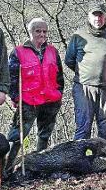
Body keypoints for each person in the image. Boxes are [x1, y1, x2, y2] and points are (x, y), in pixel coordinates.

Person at [5, 18, 64, 170]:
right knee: (17, 136)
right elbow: (11, 78)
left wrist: (59, 94)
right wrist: (15, 98)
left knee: (44, 135)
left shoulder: (53, 51)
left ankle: (40, 165)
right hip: (28, 101)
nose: (42, 34)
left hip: (50, 100)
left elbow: (59, 76)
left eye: (44, 31)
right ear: (30, 32)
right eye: (38, 31)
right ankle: (5, 168)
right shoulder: (18, 52)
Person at [65, 3, 106, 146]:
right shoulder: (78, 35)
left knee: (105, 126)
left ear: (105, 17)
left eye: (100, 15)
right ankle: (78, 160)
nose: (98, 18)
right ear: (89, 17)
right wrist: (87, 73)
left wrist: (105, 72)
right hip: (84, 88)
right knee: (83, 125)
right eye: (95, 15)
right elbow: (69, 60)